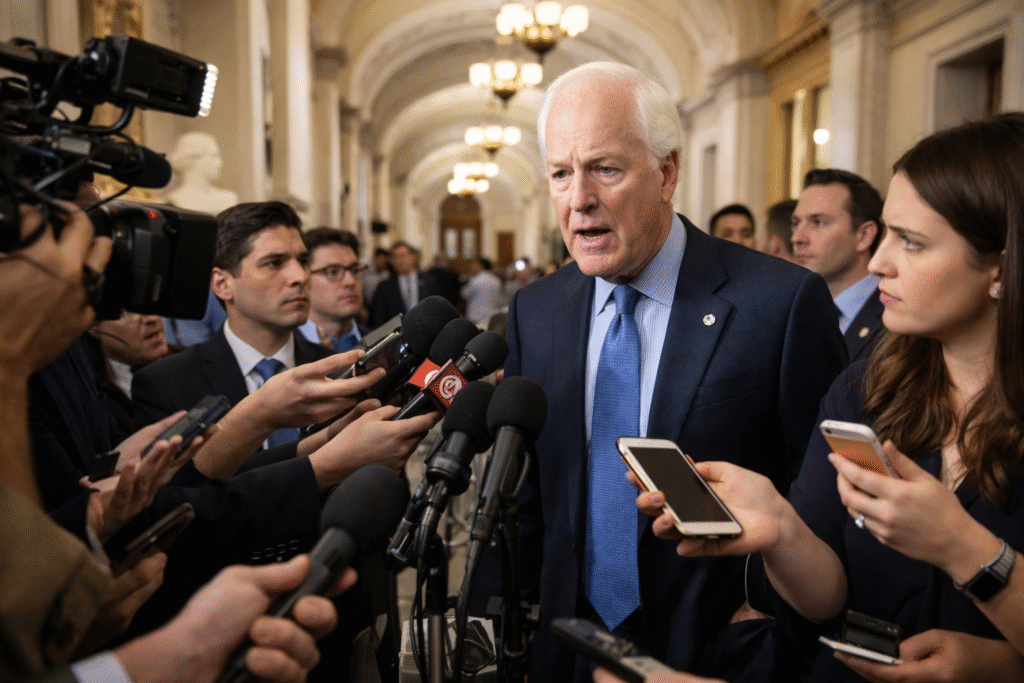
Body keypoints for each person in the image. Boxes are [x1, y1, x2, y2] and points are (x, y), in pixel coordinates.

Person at [639, 113, 1024, 682]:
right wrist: (780, 531)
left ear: (1002, 264)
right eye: (887, 232)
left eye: (912, 243)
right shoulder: (869, 384)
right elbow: (826, 598)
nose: (877, 262)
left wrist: (966, 550)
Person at [498, 62, 846, 683]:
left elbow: (821, 505)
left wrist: (768, 609)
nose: (579, 200)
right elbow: (530, 501)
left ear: (666, 173)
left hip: (723, 655)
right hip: (569, 652)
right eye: (560, 173)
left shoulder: (781, 303)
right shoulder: (537, 310)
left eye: (605, 169)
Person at [133, 201, 332, 451]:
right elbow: (183, 489)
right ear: (222, 284)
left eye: (302, 261)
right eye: (274, 263)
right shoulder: (167, 385)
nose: (300, 277)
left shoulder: (339, 372)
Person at [791, 169, 885, 360]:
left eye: (818, 222)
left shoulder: (895, 316)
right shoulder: (793, 311)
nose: (797, 238)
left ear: (864, 236)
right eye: (795, 223)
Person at [298, 227, 369, 352]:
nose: (350, 281)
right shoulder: (281, 351)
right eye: (332, 272)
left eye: (355, 270)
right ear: (303, 277)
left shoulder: (381, 345)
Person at [368, 241, 440, 327]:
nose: (400, 261)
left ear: (413, 257)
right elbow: (378, 318)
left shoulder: (429, 282)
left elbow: (437, 311)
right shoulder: (384, 287)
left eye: (402, 256)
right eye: (395, 257)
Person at [460, 257, 503, 325]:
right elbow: (499, 299)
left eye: (474, 264)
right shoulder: (496, 280)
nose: (472, 266)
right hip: (490, 316)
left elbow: (464, 294)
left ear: (480, 265)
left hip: (475, 316)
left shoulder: (476, 280)